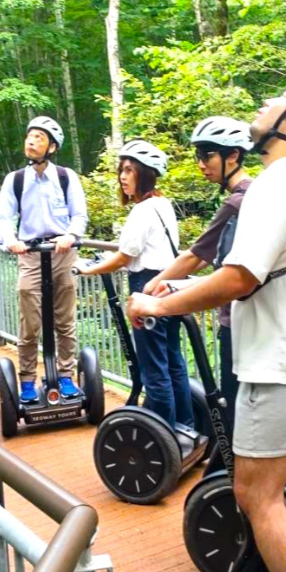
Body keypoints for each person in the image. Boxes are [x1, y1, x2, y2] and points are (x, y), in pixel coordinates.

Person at [128, 78, 286, 572]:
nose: (264, 104)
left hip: (278, 365)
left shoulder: (277, 185)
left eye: (279, 97)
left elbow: (239, 277)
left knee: (255, 496)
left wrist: (160, 305)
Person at [144, 116, 254, 442]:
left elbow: (196, 256)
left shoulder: (238, 201)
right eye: (199, 156)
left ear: (232, 156)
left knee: (235, 417)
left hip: (238, 326)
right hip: (258, 324)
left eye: (207, 155)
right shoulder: (258, 194)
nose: (200, 164)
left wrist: (152, 289)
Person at [79, 140, 193, 433]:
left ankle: (163, 435)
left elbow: (124, 257)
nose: (123, 176)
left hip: (147, 286)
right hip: (169, 283)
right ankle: (185, 428)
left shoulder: (142, 211)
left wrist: (88, 268)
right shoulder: (163, 204)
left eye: (130, 170)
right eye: (122, 170)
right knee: (173, 360)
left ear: (145, 173)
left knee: (155, 369)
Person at [0, 116, 88, 403]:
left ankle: (65, 376)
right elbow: (4, 217)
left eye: (39, 137)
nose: (31, 141)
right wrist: (11, 241)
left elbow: (79, 215)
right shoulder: (16, 179)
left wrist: (71, 235)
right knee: (30, 321)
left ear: (52, 147)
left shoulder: (65, 176)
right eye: (30, 136)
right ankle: (26, 380)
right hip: (31, 254)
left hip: (62, 253)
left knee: (65, 320)